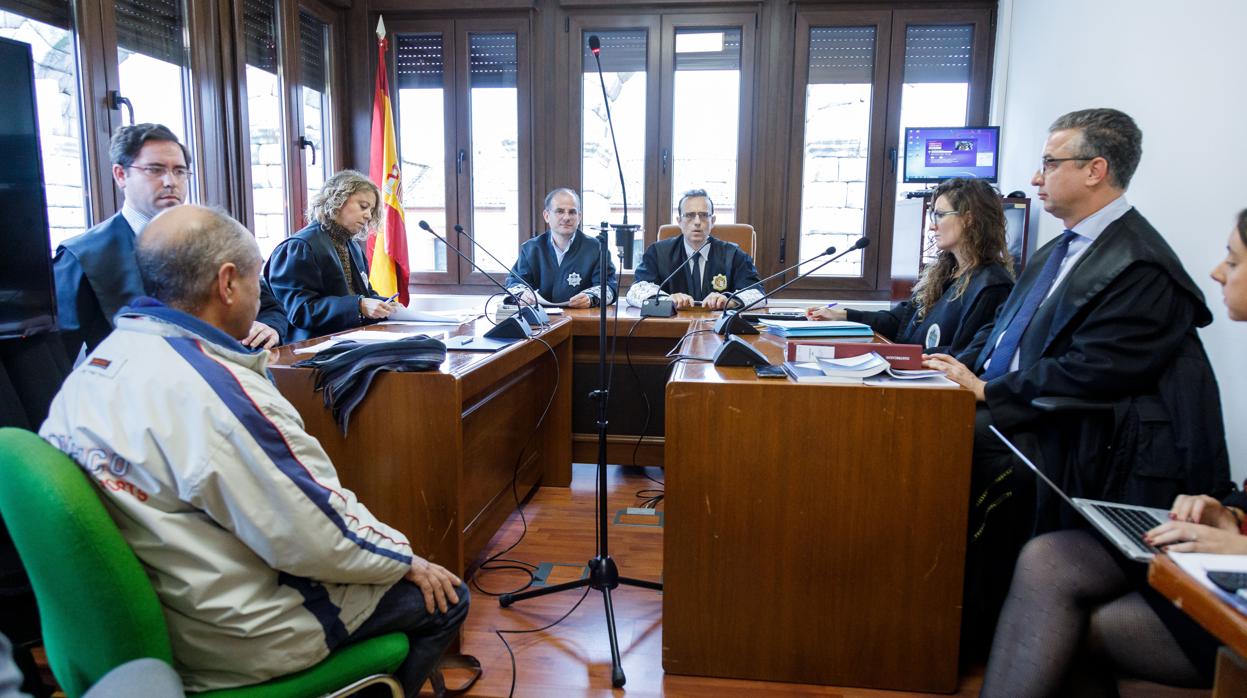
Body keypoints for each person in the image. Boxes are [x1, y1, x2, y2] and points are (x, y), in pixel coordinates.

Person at [39, 205, 469, 695]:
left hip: (159, 613)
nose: (262, 292)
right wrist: (406, 559)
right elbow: (318, 536)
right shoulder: (216, 393)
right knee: (447, 597)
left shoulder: (98, 364)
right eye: (255, 278)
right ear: (227, 284)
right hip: (233, 636)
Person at [921, 108, 1228, 648]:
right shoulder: (1059, 248)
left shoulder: (1140, 265)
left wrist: (990, 389)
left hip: (1075, 440)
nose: (1036, 178)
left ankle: (943, 626)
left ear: (1095, 170)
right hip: (1016, 408)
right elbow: (1005, 337)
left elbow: (1093, 372)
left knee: (932, 447)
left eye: (1048, 163)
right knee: (914, 424)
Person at [980, 210, 1247, 696]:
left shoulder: (1142, 268)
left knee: (1068, 620)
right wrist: (1229, 514)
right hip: (1224, 559)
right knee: (1047, 561)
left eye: (1232, 259)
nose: (1215, 272)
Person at [53, 123, 285, 360]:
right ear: (121, 175)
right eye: (155, 170)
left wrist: (269, 327)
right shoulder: (82, 257)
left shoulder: (215, 235)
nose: (170, 181)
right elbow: (57, 358)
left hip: (224, 380)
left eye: (179, 171)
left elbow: (269, 307)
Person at [806, 177, 1014, 355]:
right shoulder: (944, 273)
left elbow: (962, 355)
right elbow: (899, 322)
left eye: (940, 215)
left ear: (968, 219)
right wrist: (843, 315)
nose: (933, 225)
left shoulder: (991, 285)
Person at [265, 170, 398, 343]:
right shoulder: (299, 246)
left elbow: (365, 293)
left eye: (371, 210)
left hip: (350, 341)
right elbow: (299, 311)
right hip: (309, 347)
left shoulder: (352, 246)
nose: (368, 215)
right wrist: (358, 305)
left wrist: (387, 304)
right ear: (336, 199)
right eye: (363, 206)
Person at [626, 189, 762, 310]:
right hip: (670, 329)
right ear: (679, 221)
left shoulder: (733, 254)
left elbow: (757, 293)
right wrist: (666, 300)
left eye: (703, 215)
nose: (697, 222)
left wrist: (730, 301)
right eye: (690, 215)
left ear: (712, 220)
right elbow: (636, 290)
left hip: (717, 332)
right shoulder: (658, 252)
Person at [506, 188, 618, 308]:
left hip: (583, 319)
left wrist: (591, 298)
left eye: (572, 212)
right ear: (546, 215)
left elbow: (609, 287)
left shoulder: (597, 248)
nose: (566, 217)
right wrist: (523, 295)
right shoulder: (531, 249)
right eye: (560, 211)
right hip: (542, 320)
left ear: (579, 217)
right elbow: (514, 283)